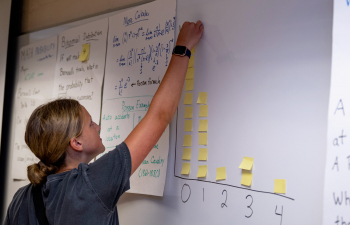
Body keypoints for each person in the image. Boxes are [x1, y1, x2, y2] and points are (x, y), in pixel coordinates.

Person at [4, 20, 204, 225]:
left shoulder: (21, 199)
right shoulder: (91, 184)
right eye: (91, 124)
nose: (98, 126)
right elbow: (159, 116)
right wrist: (183, 47)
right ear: (76, 143)